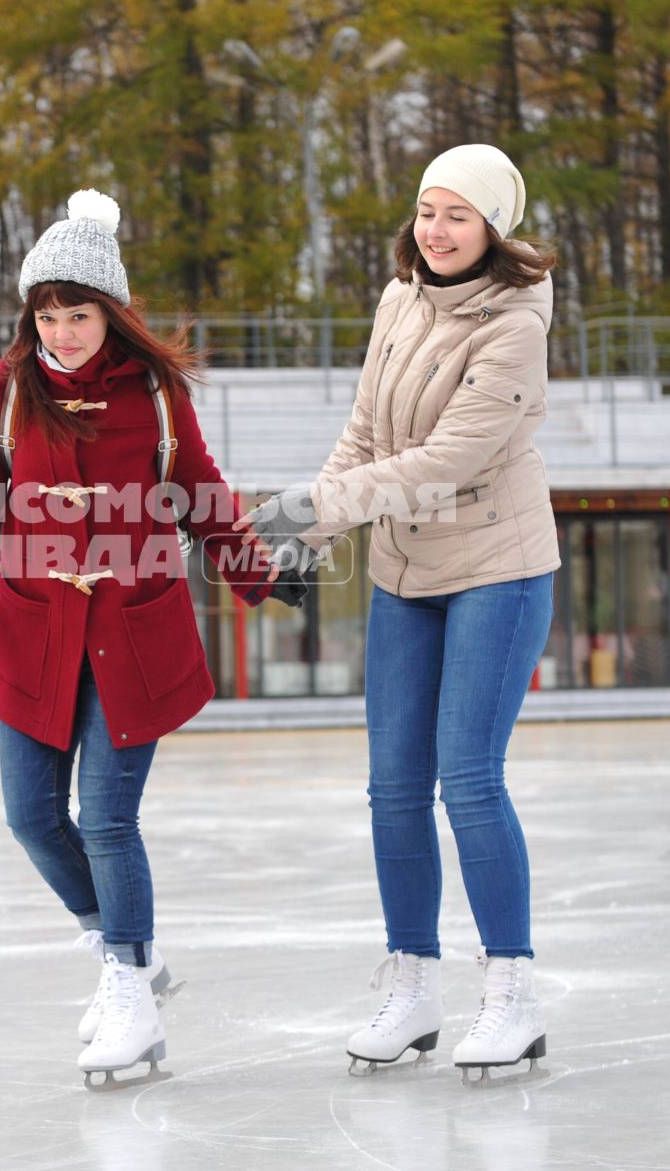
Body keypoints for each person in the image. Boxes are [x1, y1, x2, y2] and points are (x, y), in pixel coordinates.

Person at [0, 190, 305, 1087]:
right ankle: (130, 951)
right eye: (47, 313)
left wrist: (260, 574)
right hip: (36, 635)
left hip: (134, 632)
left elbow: (202, 492)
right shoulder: (10, 390)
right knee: (30, 816)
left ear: (109, 313)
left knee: (108, 819)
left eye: (78, 313)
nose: (63, 330)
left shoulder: (155, 395)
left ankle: (128, 983)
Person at [239, 144, 561, 1081]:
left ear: (493, 228)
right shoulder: (398, 299)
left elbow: (445, 462)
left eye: (458, 214)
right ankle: (412, 979)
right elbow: (368, 436)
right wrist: (315, 531)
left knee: (467, 778)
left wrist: (311, 505)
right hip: (402, 572)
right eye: (427, 210)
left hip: (496, 566)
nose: (436, 229)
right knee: (391, 787)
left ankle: (511, 988)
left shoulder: (515, 323)